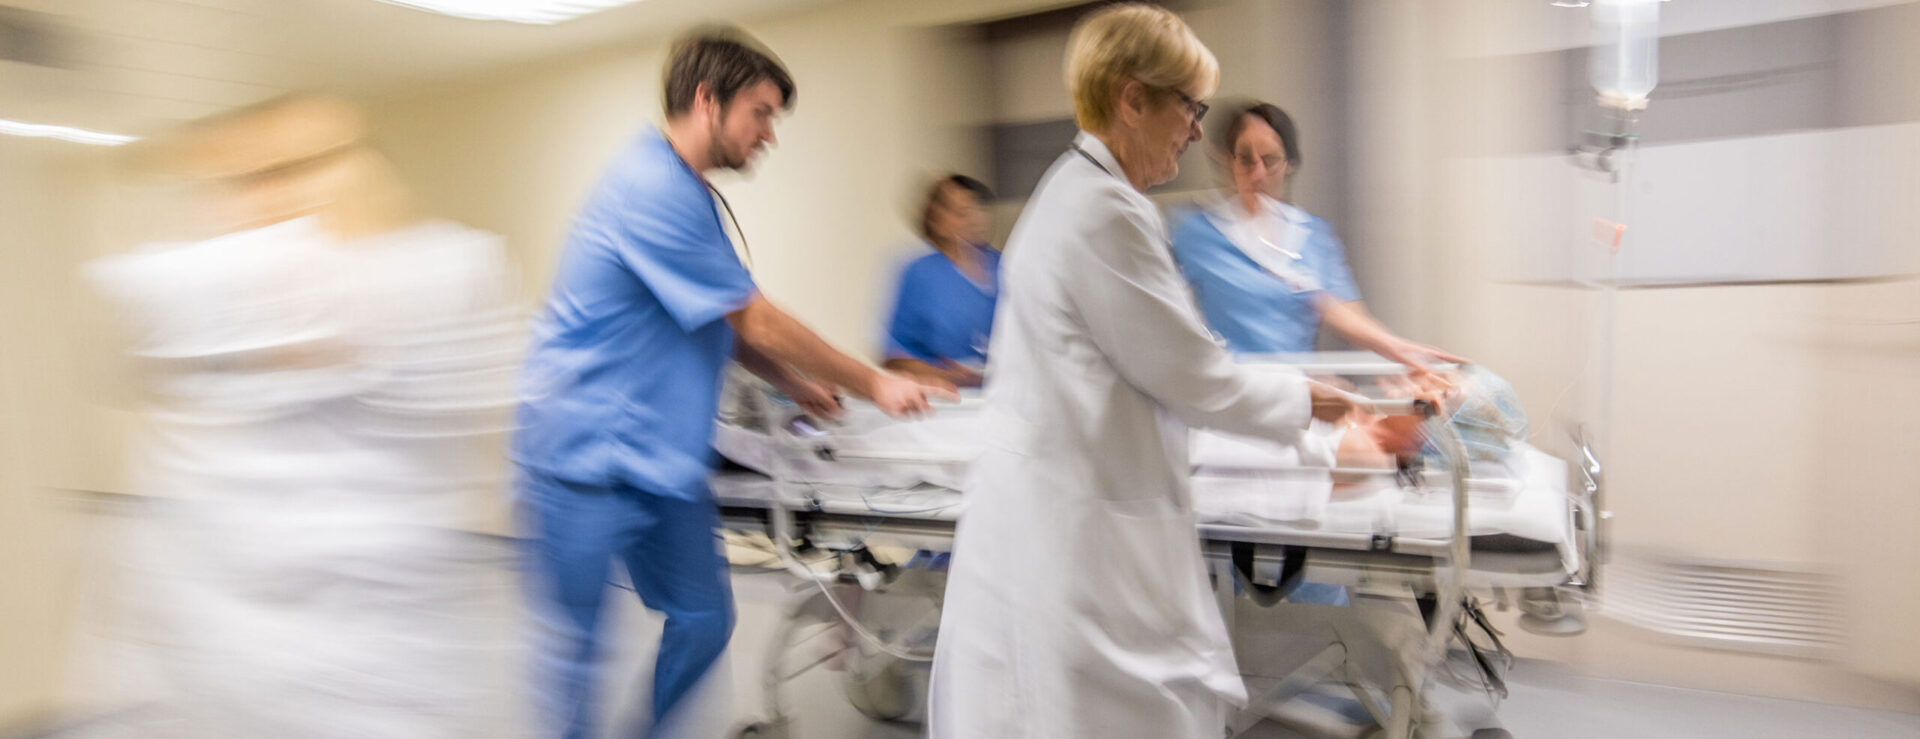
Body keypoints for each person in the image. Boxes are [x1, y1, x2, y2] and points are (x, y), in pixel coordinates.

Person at [926, 6, 1366, 737]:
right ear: (1132, 99)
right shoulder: (1104, 211)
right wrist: (1317, 406)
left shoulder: (1078, 193)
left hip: (1072, 515)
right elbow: (1198, 378)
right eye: (1189, 107)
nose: (1199, 130)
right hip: (1076, 536)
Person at [510, 25, 951, 739]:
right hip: (579, 457)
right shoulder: (649, 184)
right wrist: (876, 383)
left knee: (704, 618)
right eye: (762, 112)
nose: (770, 134)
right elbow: (758, 320)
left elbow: (722, 319)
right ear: (708, 102)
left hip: (659, 459)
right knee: (578, 655)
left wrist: (794, 382)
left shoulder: (692, 195)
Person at [80, 94, 524, 737]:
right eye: (250, 178)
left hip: (389, 679)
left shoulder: (440, 273)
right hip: (227, 673)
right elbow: (137, 302)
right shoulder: (194, 292)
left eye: (300, 168)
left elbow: (401, 314)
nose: (274, 197)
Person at [1169, 102, 1462, 375]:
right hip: (1235, 394)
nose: (1257, 173)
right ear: (1228, 160)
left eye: (1269, 160)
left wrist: (1396, 351)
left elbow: (1340, 309)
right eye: (1245, 159)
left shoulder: (1311, 236)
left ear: (1289, 163)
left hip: (1302, 392)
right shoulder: (1198, 234)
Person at [881, 174, 999, 388]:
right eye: (961, 213)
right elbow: (894, 356)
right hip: (949, 399)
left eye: (978, 210)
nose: (974, 220)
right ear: (936, 220)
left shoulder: (1005, 268)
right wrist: (952, 376)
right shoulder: (920, 274)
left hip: (1006, 397)